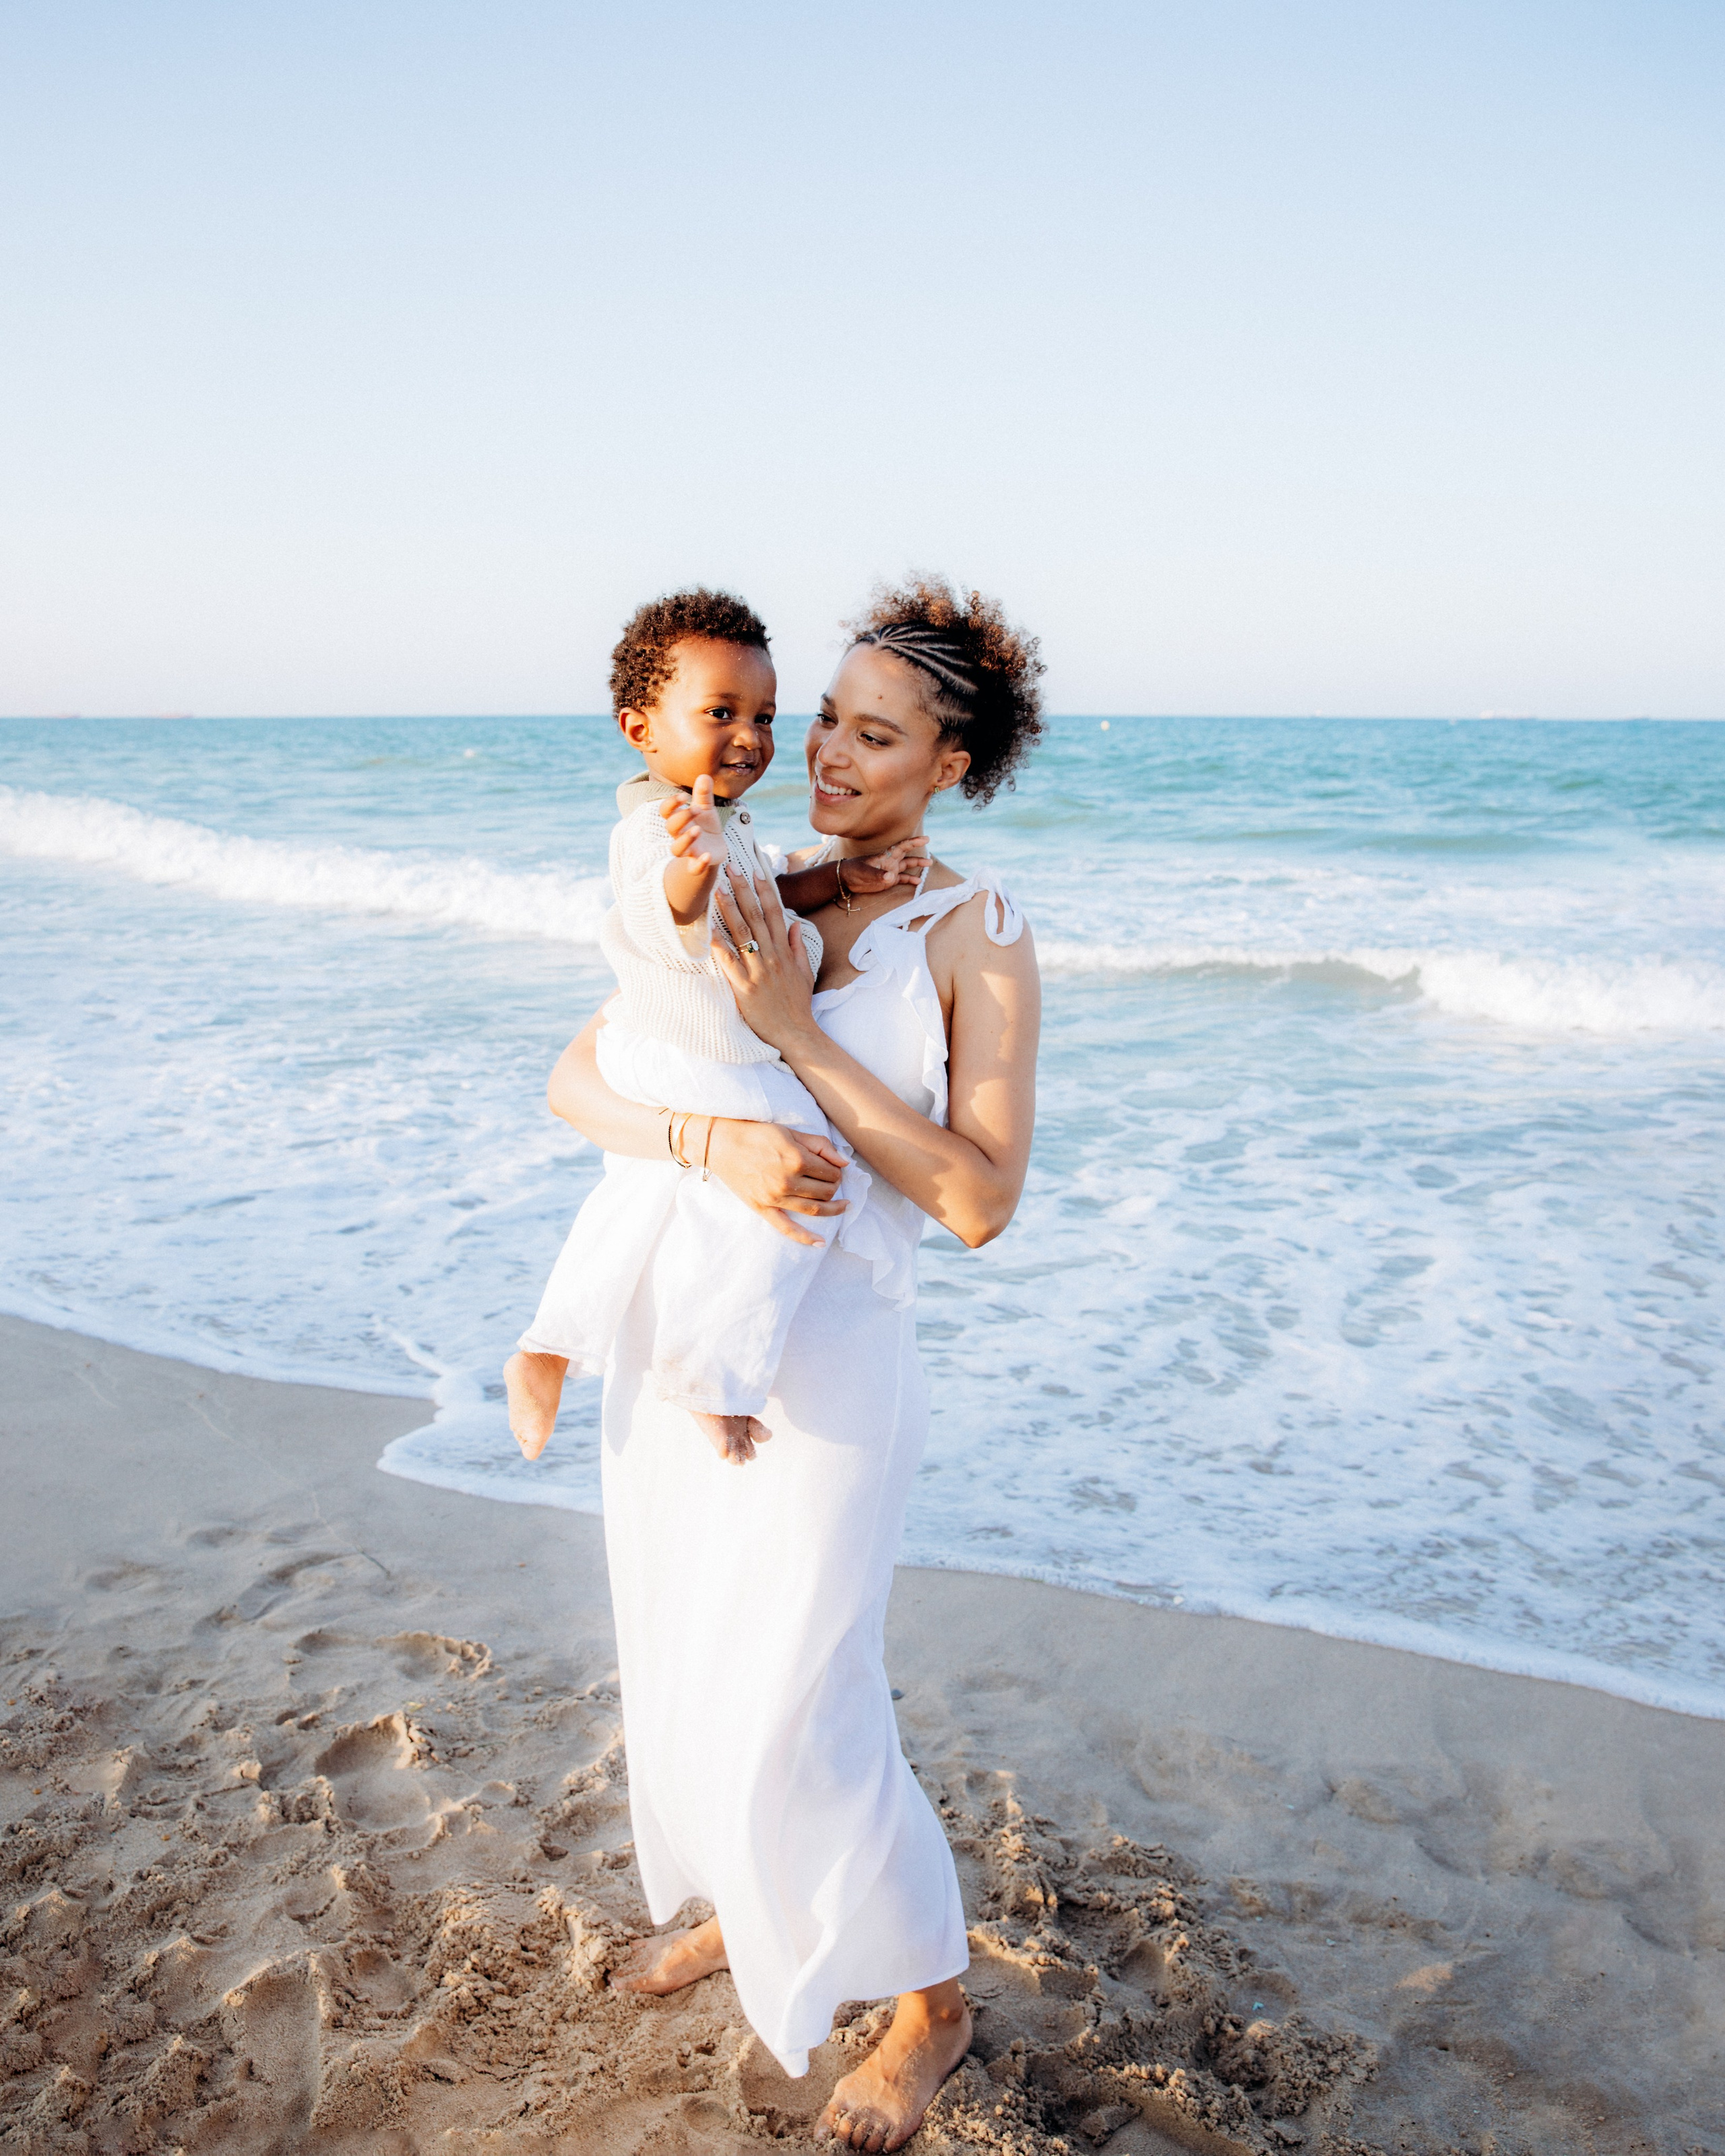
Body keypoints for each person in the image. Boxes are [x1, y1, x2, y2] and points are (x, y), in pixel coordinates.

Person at [542, 577, 1044, 2153]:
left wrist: (799, 1036)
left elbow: (976, 1201)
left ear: (948, 762)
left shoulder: (980, 932)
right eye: (824, 712)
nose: (822, 746)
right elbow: (581, 1074)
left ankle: (928, 2006)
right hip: (688, 1328)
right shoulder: (766, 870)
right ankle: (751, 1914)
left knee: (804, 1693)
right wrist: (717, 1135)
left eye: (872, 731)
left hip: (832, 1367)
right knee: (682, 1653)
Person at [505, 589, 929, 1467]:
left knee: (635, 1203)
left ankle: (550, 1345)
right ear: (640, 729)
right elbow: (660, 909)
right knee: (804, 1179)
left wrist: (846, 882)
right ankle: (710, 1376)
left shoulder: (720, 820)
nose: (751, 737)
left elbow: (762, 886)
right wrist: (691, 869)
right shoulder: (660, 828)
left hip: (671, 1046)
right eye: (721, 713)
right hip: (703, 1056)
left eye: (766, 716)